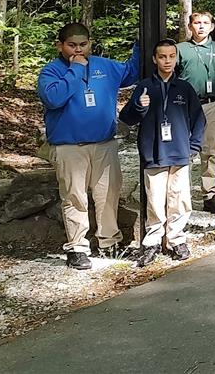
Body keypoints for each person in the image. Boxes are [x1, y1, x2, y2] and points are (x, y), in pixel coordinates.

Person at [37, 23, 140, 270]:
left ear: (90, 43)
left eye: (83, 44)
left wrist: (141, 42)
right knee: (75, 197)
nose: (78, 50)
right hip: (70, 147)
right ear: (60, 45)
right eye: (72, 45)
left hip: (104, 143)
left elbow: (132, 71)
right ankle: (77, 248)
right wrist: (75, 70)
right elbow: (53, 99)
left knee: (108, 194)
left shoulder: (105, 66)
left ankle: (109, 242)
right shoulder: (51, 71)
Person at [121, 39, 205, 267]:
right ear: (154, 59)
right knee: (155, 201)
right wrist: (139, 106)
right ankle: (153, 242)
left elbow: (199, 119)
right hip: (154, 153)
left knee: (179, 199)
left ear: (176, 59)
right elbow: (127, 118)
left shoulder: (185, 88)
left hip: (180, 152)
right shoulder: (144, 86)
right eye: (162, 57)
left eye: (171, 56)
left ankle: (176, 239)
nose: (167, 61)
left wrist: (194, 147)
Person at [176, 11, 215, 213]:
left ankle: (210, 193)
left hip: (213, 104)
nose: (201, 26)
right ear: (190, 26)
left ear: (212, 27)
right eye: (197, 22)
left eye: (205, 23)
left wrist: (212, 90)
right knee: (184, 149)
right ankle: (181, 194)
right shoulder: (180, 49)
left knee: (210, 150)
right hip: (185, 107)